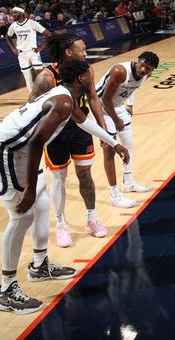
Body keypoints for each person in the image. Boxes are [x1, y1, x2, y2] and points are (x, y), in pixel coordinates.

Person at [0, 59, 128, 314]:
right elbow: (36, 143)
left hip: (19, 151)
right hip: (5, 152)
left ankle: (39, 267)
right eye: (90, 73)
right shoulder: (62, 101)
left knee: (42, 206)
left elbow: (84, 122)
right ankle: (6, 292)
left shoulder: (66, 97)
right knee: (21, 216)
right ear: (81, 78)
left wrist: (113, 142)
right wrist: (28, 187)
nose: (94, 77)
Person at [30, 35, 113, 247]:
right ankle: (60, 223)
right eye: (82, 49)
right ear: (68, 52)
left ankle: (92, 218)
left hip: (81, 125)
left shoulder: (86, 70)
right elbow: (31, 107)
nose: (86, 53)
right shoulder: (46, 78)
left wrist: (102, 129)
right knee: (59, 178)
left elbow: (93, 98)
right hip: (56, 131)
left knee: (85, 174)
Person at [95, 51, 160, 208]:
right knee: (110, 149)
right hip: (102, 107)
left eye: (148, 69)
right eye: (143, 65)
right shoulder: (120, 71)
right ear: (138, 60)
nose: (144, 70)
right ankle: (114, 194)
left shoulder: (145, 74)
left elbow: (132, 88)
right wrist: (116, 119)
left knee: (128, 144)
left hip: (118, 106)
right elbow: (104, 98)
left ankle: (128, 183)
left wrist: (129, 104)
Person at [6, 7, 51, 93]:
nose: (13, 15)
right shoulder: (13, 25)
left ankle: (44, 93)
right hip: (22, 54)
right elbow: (7, 36)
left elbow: (48, 34)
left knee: (40, 75)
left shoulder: (32, 23)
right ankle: (32, 96)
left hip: (33, 52)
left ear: (21, 13)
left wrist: (41, 47)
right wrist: (13, 48)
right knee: (27, 77)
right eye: (12, 13)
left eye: (15, 12)